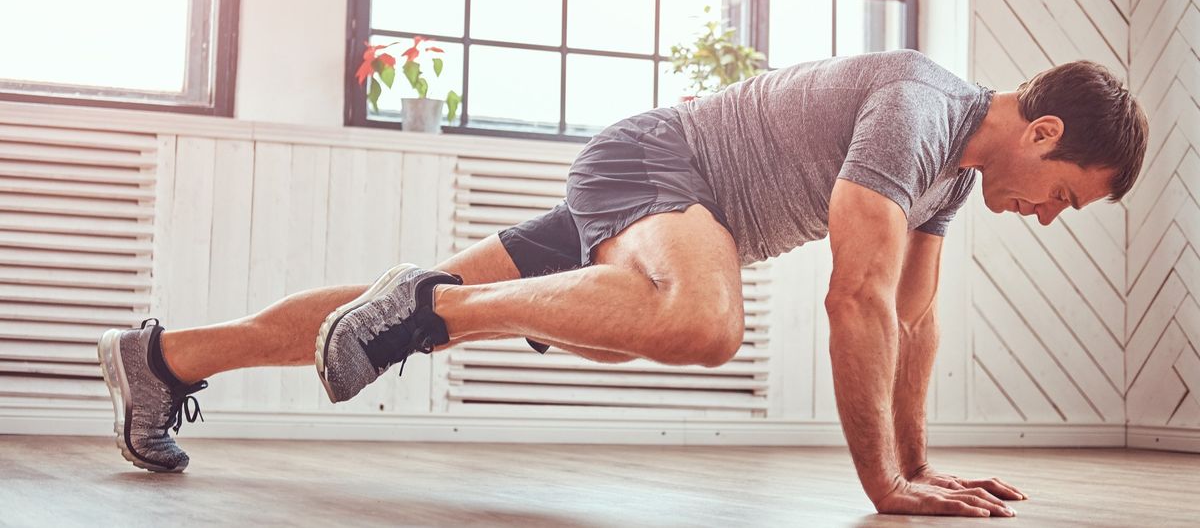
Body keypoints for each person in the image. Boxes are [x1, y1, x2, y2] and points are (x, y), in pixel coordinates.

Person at [97, 49, 1147, 518]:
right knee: (700, 322)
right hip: (658, 168)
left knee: (401, 298)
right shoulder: (921, 111)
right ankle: (432, 315)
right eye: (1065, 194)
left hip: (675, 211)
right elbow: (856, 299)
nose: (1051, 216)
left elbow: (911, 325)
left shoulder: (949, 183)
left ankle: (160, 359)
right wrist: (882, 488)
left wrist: (925, 472)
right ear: (1043, 132)